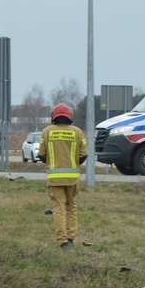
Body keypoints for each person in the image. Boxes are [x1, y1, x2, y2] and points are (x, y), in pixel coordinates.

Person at [39, 102, 89, 247]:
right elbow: (84, 155)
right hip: (72, 178)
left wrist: (51, 163)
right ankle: (71, 237)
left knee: (58, 209)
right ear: (69, 116)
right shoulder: (77, 132)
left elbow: (41, 155)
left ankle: (62, 241)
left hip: (54, 179)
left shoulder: (47, 131)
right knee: (71, 206)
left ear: (53, 117)